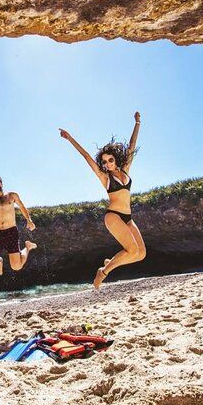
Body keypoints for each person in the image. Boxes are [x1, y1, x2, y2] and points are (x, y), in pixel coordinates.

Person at [59, 111, 146, 289]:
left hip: (128, 217)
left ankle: (110, 262)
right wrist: (70, 138)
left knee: (140, 254)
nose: (107, 164)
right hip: (113, 216)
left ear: (116, 159)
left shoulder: (126, 170)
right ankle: (103, 272)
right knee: (131, 250)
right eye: (105, 161)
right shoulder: (105, 178)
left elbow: (132, 145)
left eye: (110, 160)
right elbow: (86, 157)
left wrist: (137, 123)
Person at [0, 175, 37, 274]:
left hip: (11, 232)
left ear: (1, 183)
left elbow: (21, 206)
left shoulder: (12, 195)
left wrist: (29, 220)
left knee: (16, 267)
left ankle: (27, 247)